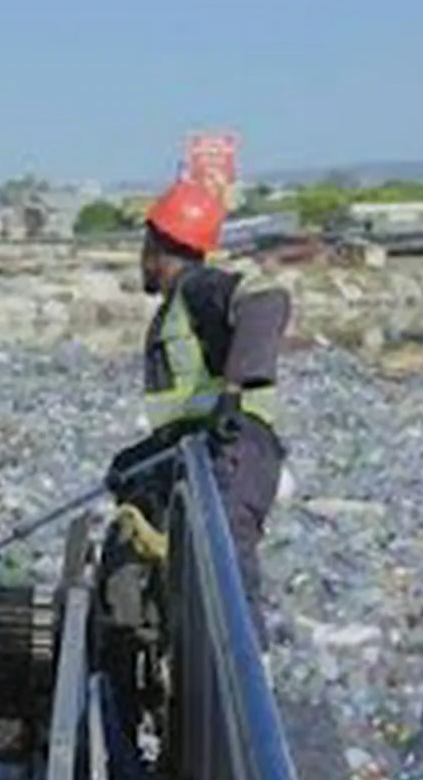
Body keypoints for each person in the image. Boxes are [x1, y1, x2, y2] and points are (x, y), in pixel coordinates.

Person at [105, 177, 291, 644]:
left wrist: (233, 391)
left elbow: (267, 300)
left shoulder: (199, 288)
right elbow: (184, 410)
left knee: (226, 567)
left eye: (143, 246)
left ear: (157, 245)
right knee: (186, 558)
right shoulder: (177, 307)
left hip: (234, 447)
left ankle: (246, 685)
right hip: (197, 447)